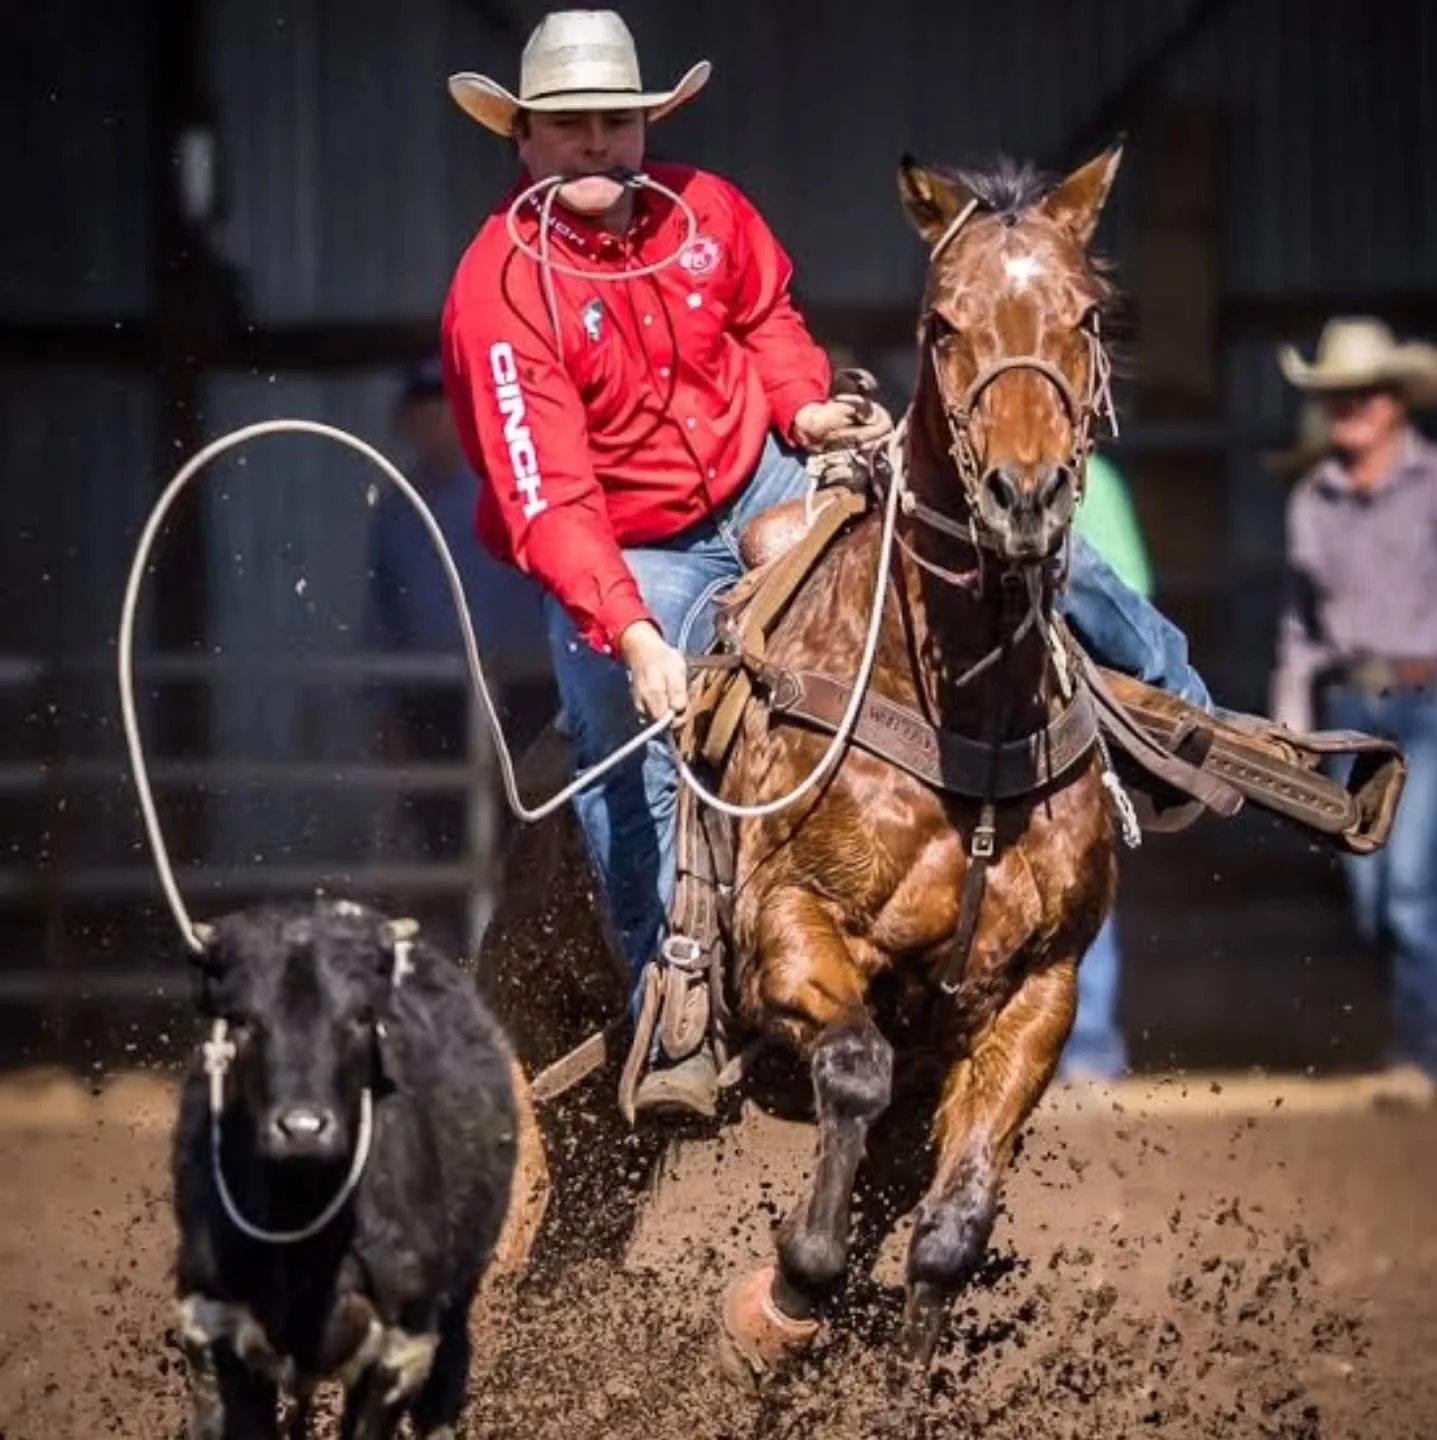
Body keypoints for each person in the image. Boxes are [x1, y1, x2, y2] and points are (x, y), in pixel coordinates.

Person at [440, 9, 1212, 1118]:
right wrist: (639, 633)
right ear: (523, 139)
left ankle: (1180, 715)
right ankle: (682, 986)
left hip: (758, 478)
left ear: (644, 125)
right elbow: (548, 498)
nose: (596, 144)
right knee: (619, 719)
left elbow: (768, 327)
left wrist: (806, 411)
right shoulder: (500, 293)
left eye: (615, 121)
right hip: (630, 545)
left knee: (990, 523)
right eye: (569, 127)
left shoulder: (709, 214)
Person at [1272, 316, 1437, 1103]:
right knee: (1370, 896)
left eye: (1364, 397)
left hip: (1425, 701)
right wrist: (1289, 730)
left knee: (1406, 889)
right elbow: (1299, 631)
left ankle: (1417, 1056)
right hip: (1349, 710)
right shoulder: (1313, 501)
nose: (1351, 411)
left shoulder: (1432, 487)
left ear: (1395, 402)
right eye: (1338, 399)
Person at [364, 356, 557, 871]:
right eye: (422, 410)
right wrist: (385, 704)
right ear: (405, 420)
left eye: (444, 408)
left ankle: (515, 938)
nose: (434, 422)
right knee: (443, 828)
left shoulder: (513, 489)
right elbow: (380, 613)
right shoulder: (395, 507)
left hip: (525, 689)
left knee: (528, 824)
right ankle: (460, 943)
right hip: (432, 695)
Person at [1061, 451, 1154, 1082]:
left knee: (1077, 866)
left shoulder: (1095, 483)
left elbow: (1128, 591)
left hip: (1067, 694)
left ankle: (1090, 1043)